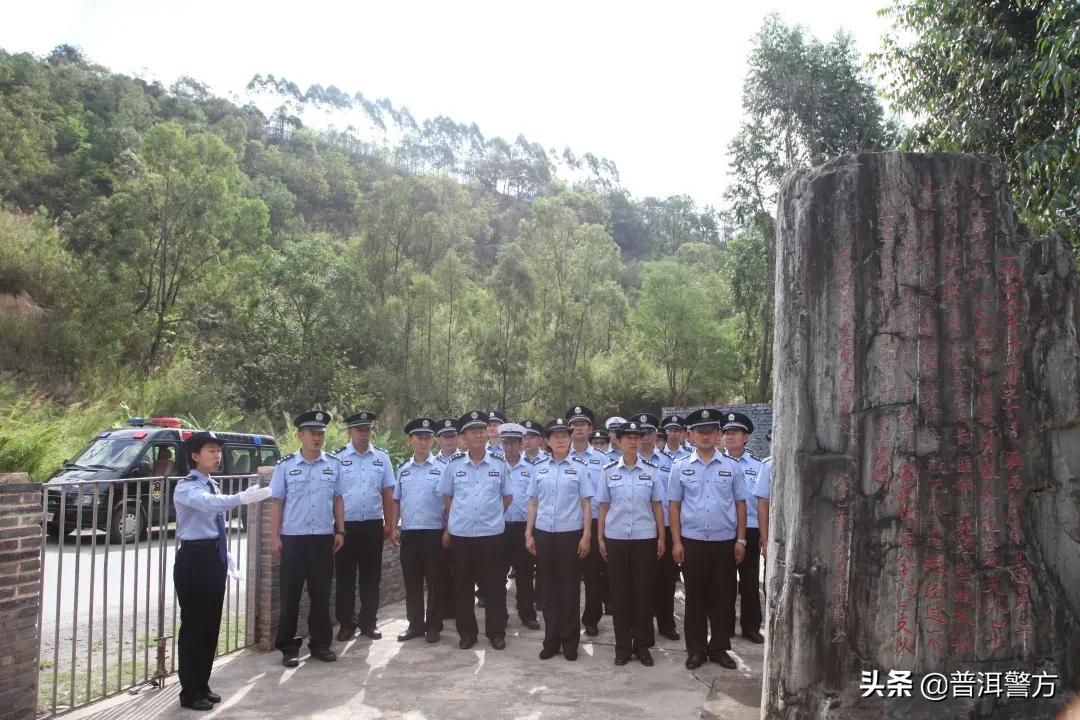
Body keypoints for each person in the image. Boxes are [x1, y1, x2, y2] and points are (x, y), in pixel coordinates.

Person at [173, 432, 271, 710]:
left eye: (218, 451)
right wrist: (241, 497)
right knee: (194, 628)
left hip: (212, 558)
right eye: (211, 451)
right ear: (195, 456)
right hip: (194, 561)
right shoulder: (187, 486)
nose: (217, 456)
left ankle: (202, 685)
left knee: (211, 626)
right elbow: (209, 505)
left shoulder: (212, 484)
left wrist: (226, 557)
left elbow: (215, 523)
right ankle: (189, 692)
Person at [668, 408, 747, 670]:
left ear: (718, 435)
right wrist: (676, 542)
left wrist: (741, 540)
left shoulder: (731, 467)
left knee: (723, 599)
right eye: (700, 432)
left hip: (724, 543)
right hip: (692, 543)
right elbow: (675, 507)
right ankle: (696, 649)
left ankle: (719, 648)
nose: (706, 436)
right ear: (691, 435)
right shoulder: (680, 468)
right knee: (695, 599)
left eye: (711, 431)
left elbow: (740, 505)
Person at [270, 411, 346, 667]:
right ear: (299, 435)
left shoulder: (333, 464)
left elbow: (337, 499)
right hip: (293, 540)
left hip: (322, 539)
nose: (317, 438)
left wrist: (340, 530)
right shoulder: (285, 466)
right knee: (290, 596)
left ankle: (321, 644)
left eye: (321, 433)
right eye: (312, 433)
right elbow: (277, 503)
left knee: (321, 595)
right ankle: (289, 647)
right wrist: (275, 537)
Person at [438, 410, 513, 650]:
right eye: (473, 431)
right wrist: (464, 515)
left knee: (494, 586)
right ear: (463, 437)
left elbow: (508, 497)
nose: (479, 434)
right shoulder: (454, 465)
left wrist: (489, 516)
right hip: (462, 536)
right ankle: (467, 633)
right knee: (463, 586)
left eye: (482, 429)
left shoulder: (499, 464)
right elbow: (447, 496)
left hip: (492, 535)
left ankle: (496, 632)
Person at [597, 421, 665, 667]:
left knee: (643, 593)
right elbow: (603, 507)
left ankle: (643, 645)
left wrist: (661, 537)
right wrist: (600, 537)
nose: (634, 441)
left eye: (638, 437)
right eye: (628, 437)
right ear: (619, 441)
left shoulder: (652, 471)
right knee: (620, 594)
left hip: (644, 539)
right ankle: (622, 646)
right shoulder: (608, 472)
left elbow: (658, 506)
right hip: (616, 538)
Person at [525, 418, 592, 661]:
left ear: (570, 438)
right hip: (544, 534)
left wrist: (586, 535)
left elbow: (586, 504)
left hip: (570, 535)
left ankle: (570, 640)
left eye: (565, 435)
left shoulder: (580, 468)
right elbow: (533, 502)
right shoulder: (539, 468)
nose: (561, 440)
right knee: (549, 590)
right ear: (548, 441)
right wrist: (528, 533)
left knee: (570, 590)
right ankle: (551, 639)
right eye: (556, 436)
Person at [333, 411, 395, 641]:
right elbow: (334, 494)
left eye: (367, 429)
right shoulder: (337, 458)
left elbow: (388, 492)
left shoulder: (381, 458)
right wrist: (338, 528)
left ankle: (369, 622)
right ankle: (346, 624)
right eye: (359, 430)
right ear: (350, 432)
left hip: (371, 526)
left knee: (371, 578)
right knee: (345, 578)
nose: (364, 433)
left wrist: (389, 525)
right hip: (345, 527)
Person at [393, 417, 448, 644]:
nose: (423, 442)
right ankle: (415, 625)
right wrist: (394, 525)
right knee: (412, 582)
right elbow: (396, 499)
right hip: (409, 533)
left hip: (434, 533)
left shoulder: (442, 468)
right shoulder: (403, 470)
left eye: (427, 438)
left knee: (436, 581)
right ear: (410, 440)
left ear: (433, 441)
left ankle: (434, 626)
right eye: (419, 438)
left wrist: (449, 530)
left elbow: (450, 501)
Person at [630, 413, 679, 642]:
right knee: (639, 581)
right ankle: (640, 625)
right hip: (639, 530)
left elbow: (675, 498)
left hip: (666, 528)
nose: (646, 437)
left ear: (654, 434)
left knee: (666, 579)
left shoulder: (669, 462)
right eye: (641, 434)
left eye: (649, 432)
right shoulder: (629, 463)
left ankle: (666, 624)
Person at [722, 411, 765, 644]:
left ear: (746, 437)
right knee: (725, 582)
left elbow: (762, 502)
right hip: (725, 530)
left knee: (749, 581)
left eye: (735, 433)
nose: (730, 437)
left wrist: (762, 534)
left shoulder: (757, 466)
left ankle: (750, 627)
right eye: (727, 433)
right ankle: (725, 625)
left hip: (749, 528)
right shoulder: (717, 464)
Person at [566, 404, 609, 635]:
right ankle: (568, 619)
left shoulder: (602, 459)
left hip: (593, 523)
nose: (578, 428)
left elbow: (605, 499)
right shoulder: (560, 457)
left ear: (591, 428)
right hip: (568, 524)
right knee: (569, 576)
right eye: (574, 424)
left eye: (583, 423)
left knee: (594, 575)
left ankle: (591, 618)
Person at [499, 423, 540, 630]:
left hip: (523, 528)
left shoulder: (532, 469)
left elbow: (535, 500)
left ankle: (527, 614)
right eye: (506, 442)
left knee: (524, 574)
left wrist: (530, 531)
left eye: (514, 443)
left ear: (521, 444)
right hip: (499, 528)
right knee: (497, 575)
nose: (510, 447)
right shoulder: (495, 467)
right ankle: (499, 616)